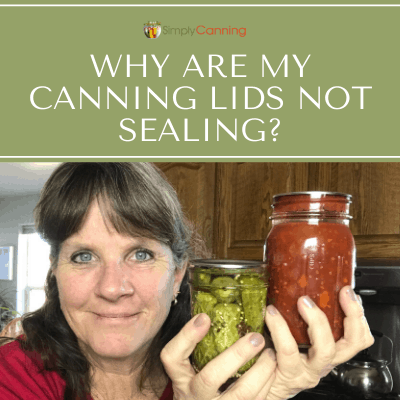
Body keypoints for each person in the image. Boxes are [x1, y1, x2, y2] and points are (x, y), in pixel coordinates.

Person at [0, 162, 374, 400]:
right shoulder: (11, 377)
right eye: (84, 256)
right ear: (55, 270)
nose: (113, 288)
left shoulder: (229, 371)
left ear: (179, 273)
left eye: (141, 254)